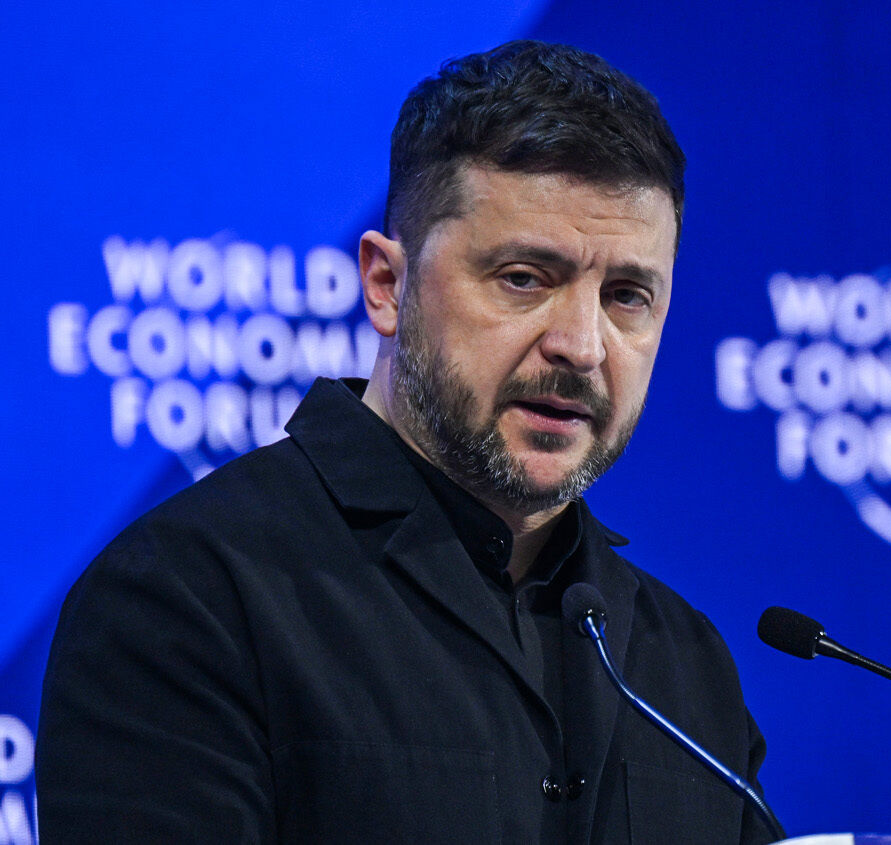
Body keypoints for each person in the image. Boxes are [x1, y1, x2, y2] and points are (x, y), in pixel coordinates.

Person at [37, 40, 779, 844]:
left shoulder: (688, 666)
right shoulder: (188, 596)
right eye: (524, 278)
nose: (582, 344)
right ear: (387, 285)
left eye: (627, 295)